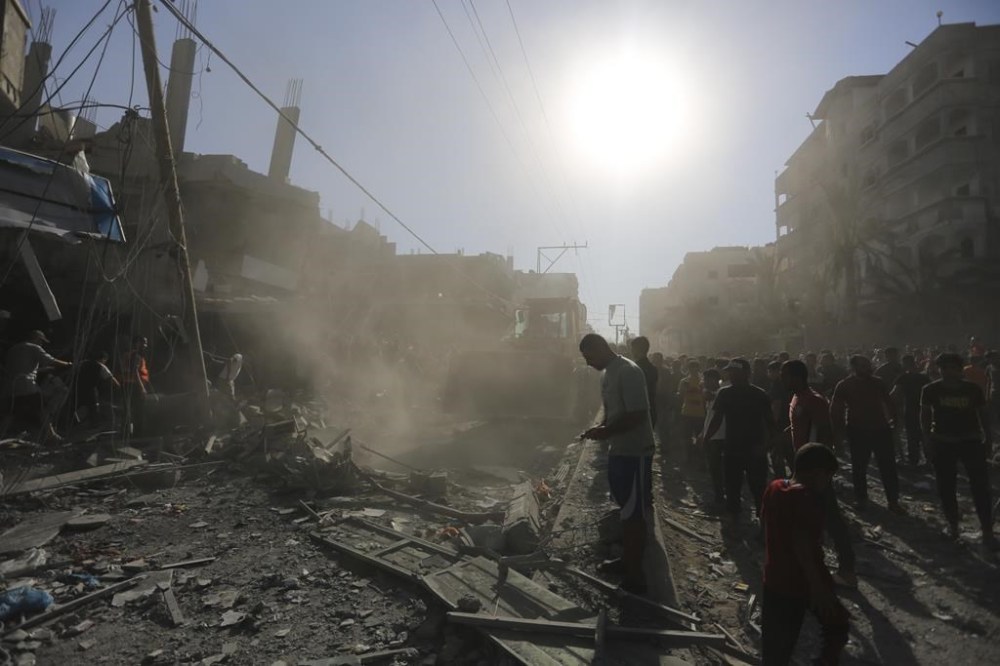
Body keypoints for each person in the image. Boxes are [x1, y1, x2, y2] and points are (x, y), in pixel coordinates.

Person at [579, 334, 656, 594]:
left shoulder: (628, 371)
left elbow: (637, 414)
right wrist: (600, 429)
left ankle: (637, 576)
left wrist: (605, 432)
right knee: (625, 509)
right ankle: (627, 561)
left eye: (589, 357)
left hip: (635, 452)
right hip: (620, 451)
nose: (588, 363)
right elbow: (616, 414)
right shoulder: (607, 373)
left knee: (634, 515)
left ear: (601, 348)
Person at [760, 443, 850, 666]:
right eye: (827, 477)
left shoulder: (775, 487)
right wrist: (817, 586)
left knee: (775, 646)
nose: (826, 484)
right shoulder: (806, 499)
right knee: (837, 625)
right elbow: (802, 545)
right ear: (818, 473)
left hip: (773, 578)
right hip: (801, 583)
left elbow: (763, 524)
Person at [782, 360, 856, 588]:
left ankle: (847, 571)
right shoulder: (796, 398)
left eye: (785, 376)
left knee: (832, 518)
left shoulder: (814, 400)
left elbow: (825, 432)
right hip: (802, 467)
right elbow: (796, 426)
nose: (781, 380)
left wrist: (821, 470)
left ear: (796, 377)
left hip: (815, 469)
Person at [920, 353, 994, 546]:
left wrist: (989, 438)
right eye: (944, 368)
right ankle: (953, 526)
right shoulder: (930, 389)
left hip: (970, 440)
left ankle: (987, 530)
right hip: (943, 441)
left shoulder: (973, 390)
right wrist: (926, 439)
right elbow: (925, 416)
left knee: (980, 487)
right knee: (946, 487)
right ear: (939, 369)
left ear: (960, 369)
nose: (948, 372)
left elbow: (983, 414)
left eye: (952, 368)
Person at [704, 358, 776, 521]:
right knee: (732, 487)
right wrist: (707, 437)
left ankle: (764, 522)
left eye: (736, 372)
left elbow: (770, 422)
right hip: (732, 449)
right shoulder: (725, 393)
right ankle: (733, 519)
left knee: (758, 489)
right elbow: (717, 419)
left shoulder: (759, 394)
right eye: (730, 372)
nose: (732, 375)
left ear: (746, 373)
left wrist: (767, 446)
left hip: (754, 450)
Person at [830, 355, 904, 513]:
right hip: (857, 430)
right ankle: (862, 499)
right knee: (859, 467)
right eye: (862, 366)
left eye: (867, 365)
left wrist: (895, 423)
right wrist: (839, 433)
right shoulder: (844, 385)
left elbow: (889, 402)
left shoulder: (877, 382)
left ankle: (893, 501)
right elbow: (836, 409)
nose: (866, 368)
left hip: (880, 429)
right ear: (853, 367)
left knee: (888, 467)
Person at [2, 330, 72, 441]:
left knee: (9, 413)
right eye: (41, 341)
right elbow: (51, 360)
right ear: (37, 339)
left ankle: (1, 435)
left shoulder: (13, 349)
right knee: (42, 409)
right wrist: (68, 364)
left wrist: (43, 370)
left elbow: (22, 368)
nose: (42, 344)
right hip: (27, 386)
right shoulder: (34, 347)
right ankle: (52, 436)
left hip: (11, 387)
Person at [891, 355, 930, 466]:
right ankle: (929, 460)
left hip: (910, 410)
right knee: (925, 435)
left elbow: (895, 394)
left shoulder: (903, 378)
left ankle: (914, 460)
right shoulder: (924, 377)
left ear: (906, 364)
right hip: (924, 409)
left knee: (912, 436)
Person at [700, 368, 726, 507]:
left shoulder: (721, 394)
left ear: (713, 380)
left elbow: (716, 419)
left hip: (717, 437)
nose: (704, 382)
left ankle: (720, 499)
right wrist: (702, 433)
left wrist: (706, 436)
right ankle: (720, 497)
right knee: (714, 469)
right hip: (711, 435)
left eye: (706, 379)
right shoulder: (711, 394)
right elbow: (709, 417)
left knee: (717, 469)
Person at [75, 351, 119, 426]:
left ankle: (75, 422)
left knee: (76, 405)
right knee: (93, 407)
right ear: (103, 359)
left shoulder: (83, 363)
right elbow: (112, 379)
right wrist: (118, 386)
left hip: (77, 387)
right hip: (90, 388)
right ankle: (93, 424)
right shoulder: (101, 366)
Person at [767, 360, 794, 478]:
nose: (769, 374)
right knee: (790, 453)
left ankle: (782, 483)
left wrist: (772, 424)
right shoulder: (789, 384)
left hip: (779, 425)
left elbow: (776, 406)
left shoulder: (776, 386)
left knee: (777, 456)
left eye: (771, 371)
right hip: (790, 422)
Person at [121, 336, 151, 437]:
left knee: (128, 410)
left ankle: (126, 433)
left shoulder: (129, 354)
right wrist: (142, 388)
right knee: (138, 411)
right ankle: (138, 435)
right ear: (137, 343)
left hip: (128, 385)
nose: (145, 346)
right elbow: (135, 372)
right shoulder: (136, 356)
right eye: (144, 343)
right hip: (134, 386)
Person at [678, 359, 706, 462]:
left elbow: (705, 396)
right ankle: (689, 458)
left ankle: (700, 459)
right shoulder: (684, 381)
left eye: (695, 368)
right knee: (687, 437)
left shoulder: (703, 381)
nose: (693, 370)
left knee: (700, 438)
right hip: (687, 412)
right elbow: (680, 396)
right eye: (691, 368)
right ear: (689, 369)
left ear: (698, 368)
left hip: (700, 413)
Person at [630, 337, 658, 429]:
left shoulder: (634, 368)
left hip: (636, 413)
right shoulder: (653, 369)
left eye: (632, 348)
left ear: (637, 349)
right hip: (651, 410)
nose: (631, 351)